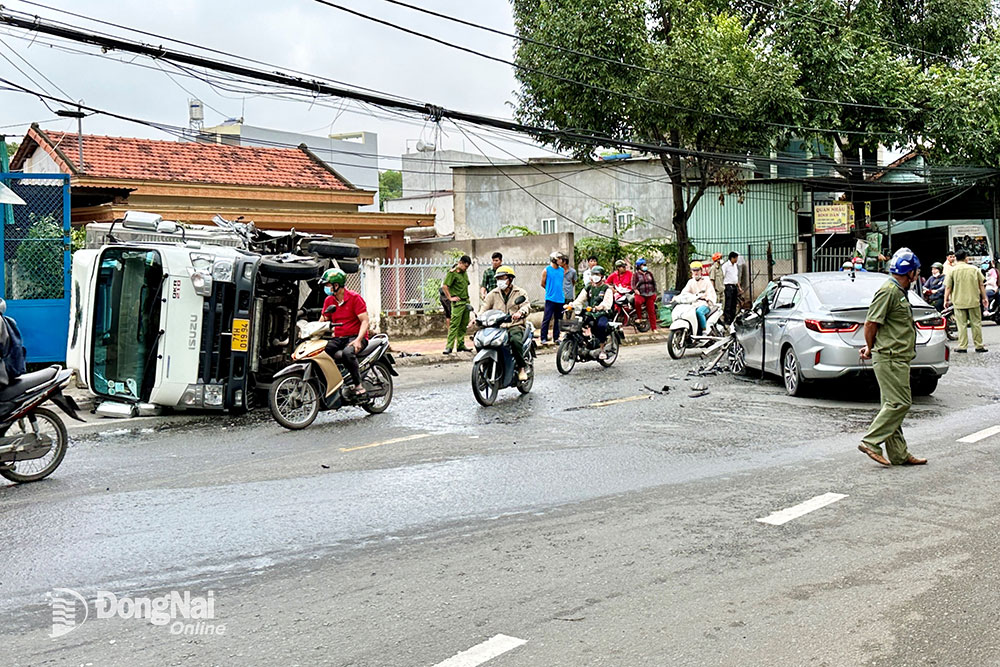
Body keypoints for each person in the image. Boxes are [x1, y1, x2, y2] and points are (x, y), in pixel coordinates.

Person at [857, 249, 928, 467]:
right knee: (900, 403)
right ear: (911, 273)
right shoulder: (888, 291)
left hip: (896, 355)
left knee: (892, 404)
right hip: (890, 356)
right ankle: (871, 441)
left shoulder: (898, 291)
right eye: (916, 271)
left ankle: (898, 454)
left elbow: (886, 325)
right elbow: (870, 323)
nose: (917, 274)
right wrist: (870, 347)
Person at [320, 267, 370, 395]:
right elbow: (323, 319)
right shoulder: (329, 300)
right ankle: (335, 380)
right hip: (339, 337)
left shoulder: (354, 298)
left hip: (356, 337)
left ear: (336, 285)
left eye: (328, 285)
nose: (326, 287)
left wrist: (359, 340)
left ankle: (358, 384)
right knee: (322, 351)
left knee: (348, 353)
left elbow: (364, 321)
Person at [481, 265, 531, 381]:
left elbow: (526, 306)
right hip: (497, 327)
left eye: (502, 278)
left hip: (514, 325)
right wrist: (477, 318)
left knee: (515, 341)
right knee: (482, 340)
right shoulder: (493, 294)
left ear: (510, 279)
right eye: (498, 279)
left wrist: (520, 312)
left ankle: (521, 367)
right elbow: (484, 308)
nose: (500, 281)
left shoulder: (520, 292)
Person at [944, 249, 989, 353]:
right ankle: (979, 345)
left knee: (961, 324)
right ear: (966, 258)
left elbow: (948, 287)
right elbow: (981, 284)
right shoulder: (975, 269)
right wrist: (984, 297)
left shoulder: (952, 270)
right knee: (976, 323)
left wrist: (946, 300)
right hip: (974, 300)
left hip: (959, 301)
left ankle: (962, 346)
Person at [569, 265, 613, 359]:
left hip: (602, 313)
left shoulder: (606, 289)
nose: (595, 276)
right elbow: (580, 300)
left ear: (602, 276)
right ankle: (583, 343)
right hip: (590, 312)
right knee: (579, 323)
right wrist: (571, 305)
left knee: (601, 326)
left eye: (597, 274)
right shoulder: (588, 288)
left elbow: (607, 303)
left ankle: (602, 350)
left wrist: (600, 307)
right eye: (593, 274)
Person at [441, 255, 472, 354]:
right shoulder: (453, 273)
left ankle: (460, 344)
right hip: (458, 303)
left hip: (465, 301)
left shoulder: (464, 273)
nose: (466, 268)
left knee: (463, 325)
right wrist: (450, 298)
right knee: (454, 325)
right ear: (460, 263)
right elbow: (445, 286)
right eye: (465, 266)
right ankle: (449, 346)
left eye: (467, 267)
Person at [681, 261, 717, 334]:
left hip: (705, 304)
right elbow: (684, 292)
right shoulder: (690, 282)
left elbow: (711, 293)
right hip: (694, 304)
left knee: (699, 312)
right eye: (694, 270)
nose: (696, 272)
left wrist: (706, 298)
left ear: (701, 270)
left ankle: (704, 331)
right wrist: (678, 297)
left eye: (697, 270)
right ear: (691, 271)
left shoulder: (706, 281)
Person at [539, 251, 565, 345]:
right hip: (550, 298)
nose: (561, 260)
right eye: (559, 258)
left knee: (558, 319)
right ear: (554, 259)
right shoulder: (547, 270)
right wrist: (549, 289)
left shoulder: (562, 270)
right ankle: (543, 337)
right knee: (547, 318)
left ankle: (556, 337)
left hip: (560, 298)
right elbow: (542, 283)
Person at [631, 258, 658, 331]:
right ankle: (639, 317)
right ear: (639, 266)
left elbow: (654, 283)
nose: (644, 266)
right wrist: (636, 290)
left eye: (645, 265)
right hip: (641, 294)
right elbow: (633, 285)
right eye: (643, 265)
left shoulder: (649, 274)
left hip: (650, 294)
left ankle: (654, 328)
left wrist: (655, 292)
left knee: (651, 311)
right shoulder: (636, 274)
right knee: (637, 302)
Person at [722, 252, 741, 324]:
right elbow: (722, 276)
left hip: (734, 286)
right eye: (735, 258)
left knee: (734, 304)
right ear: (732, 258)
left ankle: (732, 319)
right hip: (728, 286)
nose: (736, 260)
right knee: (728, 304)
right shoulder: (726, 266)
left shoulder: (735, 266)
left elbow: (735, 277)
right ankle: (727, 319)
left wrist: (739, 287)